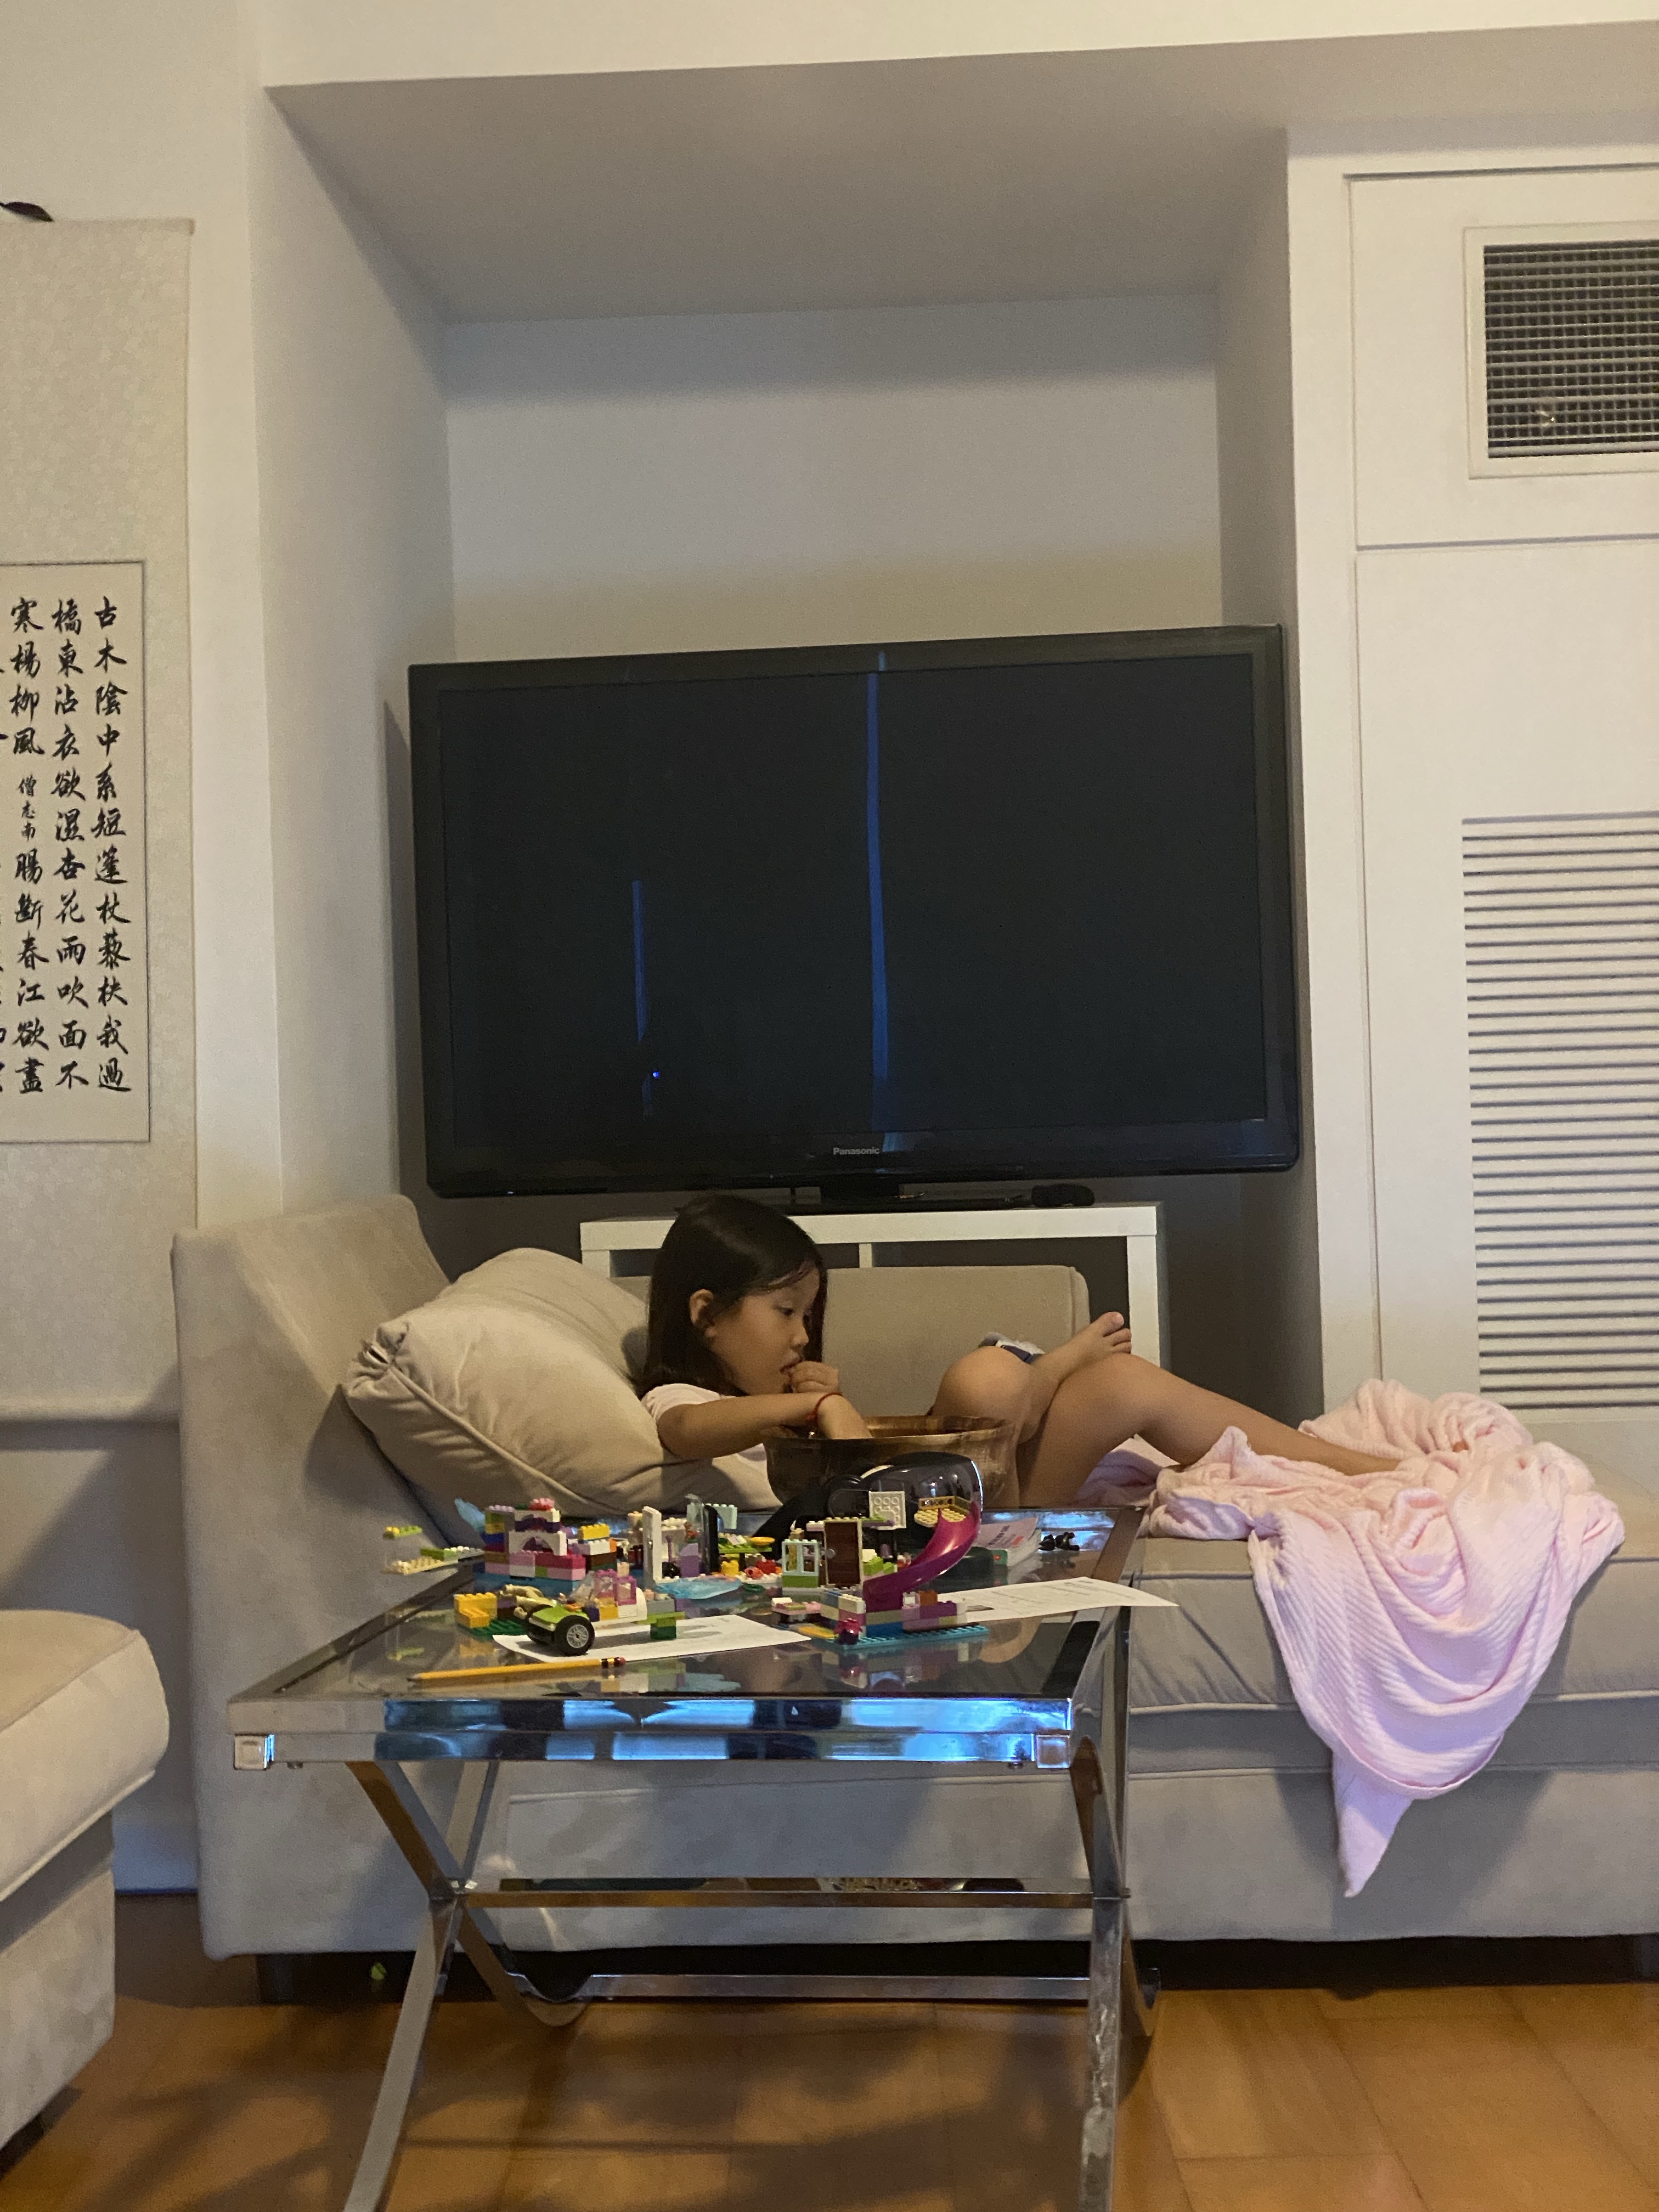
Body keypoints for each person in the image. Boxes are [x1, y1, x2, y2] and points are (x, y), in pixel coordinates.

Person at [640, 1193, 1397, 1509]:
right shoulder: (682, 1401)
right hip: (949, 1531)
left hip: (962, 1497)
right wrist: (818, 1406)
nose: (802, 1336)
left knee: (1119, 1383)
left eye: (808, 1317)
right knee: (988, 1379)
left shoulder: (776, 1400)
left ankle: (1360, 1470)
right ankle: (1054, 1366)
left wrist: (825, 1409)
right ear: (706, 1316)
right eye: (785, 1313)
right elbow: (685, 1430)